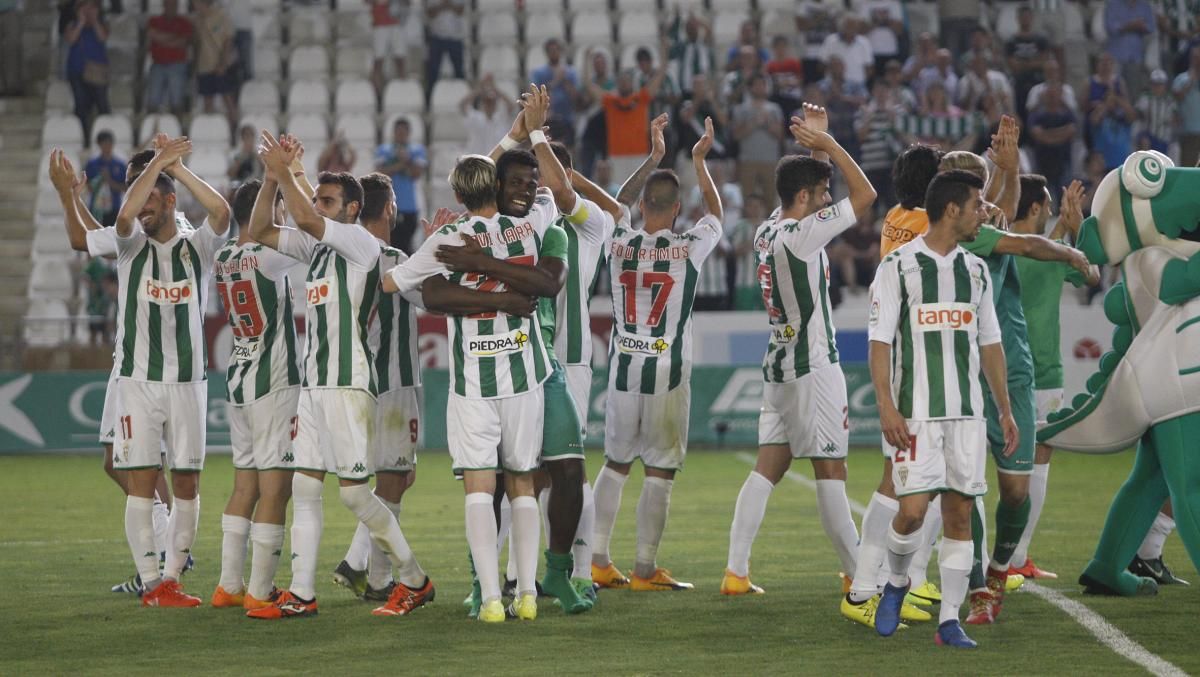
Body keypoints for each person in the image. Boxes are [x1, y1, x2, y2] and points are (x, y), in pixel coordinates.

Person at [381, 91, 568, 623]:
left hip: (473, 385)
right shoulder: (533, 223)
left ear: (459, 194)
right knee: (525, 483)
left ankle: (490, 600)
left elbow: (395, 283)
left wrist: (435, 255)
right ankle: (527, 595)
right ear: (496, 185)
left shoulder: (449, 236)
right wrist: (531, 130)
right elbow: (554, 192)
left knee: (480, 491)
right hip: (525, 374)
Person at [245, 135, 432, 620]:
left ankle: (413, 579)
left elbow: (306, 217)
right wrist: (272, 178)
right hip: (314, 387)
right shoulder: (318, 249)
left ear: (352, 208)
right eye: (317, 198)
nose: (316, 206)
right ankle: (302, 594)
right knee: (305, 489)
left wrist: (287, 171)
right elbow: (260, 228)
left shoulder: (359, 243)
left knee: (352, 493)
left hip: (349, 384)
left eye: (327, 200)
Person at [933, 146, 1094, 627]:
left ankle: (999, 568)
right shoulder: (944, 239)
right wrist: (1069, 246)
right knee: (964, 488)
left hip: (1013, 376)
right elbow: (1025, 243)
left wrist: (1066, 244)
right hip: (960, 377)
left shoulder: (982, 231)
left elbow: (1024, 241)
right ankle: (977, 585)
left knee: (1015, 491)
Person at [722, 104, 877, 598]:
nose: (828, 200)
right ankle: (860, 575)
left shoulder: (769, 229)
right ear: (805, 198)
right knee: (831, 470)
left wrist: (817, 149)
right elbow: (866, 195)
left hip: (779, 366)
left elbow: (808, 187)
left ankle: (736, 571)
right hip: (813, 366)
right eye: (821, 193)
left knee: (769, 466)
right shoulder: (804, 235)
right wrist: (829, 147)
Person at [868, 169, 1016, 649]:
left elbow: (990, 343)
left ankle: (949, 620)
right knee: (910, 512)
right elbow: (879, 343)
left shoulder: (975, 271)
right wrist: (887, 407)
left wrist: (1005, 410)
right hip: (915, 415)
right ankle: (895, 581)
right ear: (952, 209)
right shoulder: (898, 267)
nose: (983, 213)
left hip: (967, 415)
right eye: (977, 204)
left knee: (959, 512)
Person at [589, 115, 722, 592]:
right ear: (677, 206)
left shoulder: (619, 242)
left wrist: (652, 158)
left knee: (615, 463)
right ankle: (644, 569)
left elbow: (614, 204)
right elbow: (717, 215)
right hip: (668, 373)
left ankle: (598, 560)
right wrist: (699, 161)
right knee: (659, 471)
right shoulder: (689, 248)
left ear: (644, 202)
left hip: (624, 370)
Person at [107, 134, 232, 608]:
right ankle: (150, 581)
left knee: (186, 484)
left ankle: (172, 578)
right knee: (141, 481)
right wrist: (156, 164)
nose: (143, 210)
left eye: (152, 199)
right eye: (140, 199)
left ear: (171, 200)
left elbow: (221, 213)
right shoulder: (128, 248)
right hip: (137, 382)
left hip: (187, 383)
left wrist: (176, 169)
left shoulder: (195, 249)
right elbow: (122, 216)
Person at [329, 172, 435, 613]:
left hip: (359, 381)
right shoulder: (390, 258)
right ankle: (363, 568)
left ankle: (373, 575)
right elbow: (431, 299)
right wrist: (436, 249)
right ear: (389, 209)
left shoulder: (343, 257)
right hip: (394, 383)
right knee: (393, 478)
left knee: (395, 477)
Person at [209, 179, 302, 611]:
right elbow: (309, 238)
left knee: (243, 484)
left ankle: (228, 585)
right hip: (273, 383)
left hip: (239, 379)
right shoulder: (269, 256)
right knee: (275, 490)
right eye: (277, 208)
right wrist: (278, 180)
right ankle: (260, 594)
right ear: (267, 209)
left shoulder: (223, 257)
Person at [1009, 176, 1100, 581]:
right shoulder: (1050, 253)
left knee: (978, 462)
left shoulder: (996, 246)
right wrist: (1075, 226)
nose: (1048, 210)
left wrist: (1063, 228)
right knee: (1039, 460)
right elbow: (1091, 275)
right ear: (1033, 209)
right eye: (1045, 205)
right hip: (1042, 371)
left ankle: (964, 556)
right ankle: (1016, 557)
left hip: (995, 371)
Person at [585, 63, 668, 184]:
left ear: (632, 83)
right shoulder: (611, 101)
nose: (624, 83)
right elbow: (588, 84)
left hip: (639, 155)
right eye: (621, 81)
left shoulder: (641, 98)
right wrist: (587, 59)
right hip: (616, 156)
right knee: (618, 195)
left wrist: (664, 55)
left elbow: (659, 78)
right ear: (617, 84)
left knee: (640, 193)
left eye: (627, 80)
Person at [375, 117, 427, 253]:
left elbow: (417, 173)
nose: (401, 135)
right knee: (389, 244)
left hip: (410, 205)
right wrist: (401, 164)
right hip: (388, 205)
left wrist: (406, 161)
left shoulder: (417, 150)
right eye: (398, 132)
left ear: (408, 133)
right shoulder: (384, 150)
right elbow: (380, 173)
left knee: (407, 245)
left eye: (404, 132)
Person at [733, 75, 785, 209]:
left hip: (770, 161)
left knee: (770, 200)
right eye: (756, 85)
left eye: (763, 85)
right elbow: (736, 135)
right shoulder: (741, 109)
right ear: (750, 88)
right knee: (747, 199)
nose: (760, 88)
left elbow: (780, 135)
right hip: (748, 161)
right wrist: (754, 123)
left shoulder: (775, 109)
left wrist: (767, 122)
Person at [64, 0, 110, 135]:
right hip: (76, 71)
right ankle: (83, 136)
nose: (88, 9)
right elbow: (71, 39)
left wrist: (94, 21)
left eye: (92, 7)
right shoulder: (72, 25)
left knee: (102, 105)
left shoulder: (103, 24)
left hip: (97, 72)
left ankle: (106, 135)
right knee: (81, 106)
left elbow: (102, 37)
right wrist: (81, 22)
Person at [145, 0, 192, 115]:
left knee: (176, 100)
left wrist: (160, 38)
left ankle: (177, 128)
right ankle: (151, 128)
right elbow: (151, 35)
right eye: (169, 5)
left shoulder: (184, 23)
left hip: (177, 64)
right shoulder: (154, 21)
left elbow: (183, 42)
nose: (172, 8)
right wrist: (174, 39)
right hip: (158, 63)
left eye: (174, 5)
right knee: (152, 100)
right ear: (164, 6)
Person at [193, 0, 237, 123]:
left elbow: (228, 40)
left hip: (220, 64)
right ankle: (209, 127)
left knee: (228, 98)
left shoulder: (221, 16)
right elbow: (196, 43)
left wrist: (223, 63)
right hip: (204, 65)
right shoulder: (197, 20)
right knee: (207, 100)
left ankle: (234, 129)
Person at [1005, 5, 1050, 122]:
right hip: (1018, 84)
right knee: (1019, 114)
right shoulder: (1011, 41)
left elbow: (1043, 62)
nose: (1025, 19)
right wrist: (1033, 62)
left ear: (1032, 18)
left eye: (1027, 17)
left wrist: (1022, 63)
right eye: (1022, 17)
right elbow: (1012, 65)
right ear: (1018, 19)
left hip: (1037, 83)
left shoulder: (1041, 39)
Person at [1104, 0, 1156, 98]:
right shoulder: (1112, 4)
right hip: (1115, 57)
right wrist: (1130, 26)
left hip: (1135, 57)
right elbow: (1110, 27)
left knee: (1134, 93)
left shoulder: (1145, 5)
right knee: (1112, 91)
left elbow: (1151, 27)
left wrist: (1140, 26)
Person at [461, 75, 516, 155]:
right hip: (478, 161)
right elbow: (462, 105)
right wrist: (479, 89)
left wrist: (494, 89)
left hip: (498, 162)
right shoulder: (475, 118)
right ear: (482, 104)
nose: (489, 105)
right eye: (486, 102)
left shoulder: (502, 117)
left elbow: (512, 106)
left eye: (492, 102)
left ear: (496, 103)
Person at [423, 0, 466, 101]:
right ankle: (430, 100)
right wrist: (447, 5)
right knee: (433, 71)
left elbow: (460, 10)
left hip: (455, 37)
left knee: (459, 70)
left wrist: (443, 6)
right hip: (437, 37)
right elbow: (430, 13)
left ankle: (463, 95)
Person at [85, 130, 126, 227]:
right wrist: (99, 181)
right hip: (96, 208)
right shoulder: (92, 164)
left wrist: (109, 181)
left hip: (114, 208)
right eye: (104, 143)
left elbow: (126, 188)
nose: (107, 146)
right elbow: (87, 186)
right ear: (99, 144)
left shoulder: (120, 164)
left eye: (110, 143)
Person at [819, 14, 874, 87]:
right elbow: (822, 64)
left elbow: (869, 67)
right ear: (841, 26)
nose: (851, 28)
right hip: (833, 85)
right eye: (848, 25)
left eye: (854, 25)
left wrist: (861, 82)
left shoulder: (864, 42)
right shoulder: (831, 40)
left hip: (857, 84)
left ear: (858, 27)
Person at [370, 0, 412, 93]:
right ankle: (376, 93)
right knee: (378, 60)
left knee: (400, 59)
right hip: (379, 24)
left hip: (397, 24)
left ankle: (403, 90)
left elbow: (408, 3)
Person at [1135, 69, 1179, 154]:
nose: (1157, 87)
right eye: (1155, 84)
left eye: (1160, 84)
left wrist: (1172, 120)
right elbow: (1137, 114)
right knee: (1145, 144)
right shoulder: (1145, 98)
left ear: (1165, 85)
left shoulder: (1169, 100)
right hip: (1148, 134)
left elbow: (1176, 117)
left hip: (1164, 137)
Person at [1172, 45, 1200, 165]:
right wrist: (1191, 81)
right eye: (1196, 57)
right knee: (1189, 166)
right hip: (1189, 132)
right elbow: (1177, 97)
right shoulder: (1181, 79)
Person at [227, 124, 262, 190]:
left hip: (257, 184)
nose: (249, 139)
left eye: (251, 136)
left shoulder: (259, 152)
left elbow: (266, 169)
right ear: (242, 138)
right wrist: (242, 156)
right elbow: (230, 174)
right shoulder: (234, 153)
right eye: (246, 136)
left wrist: (256, 155)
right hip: (240, 185)